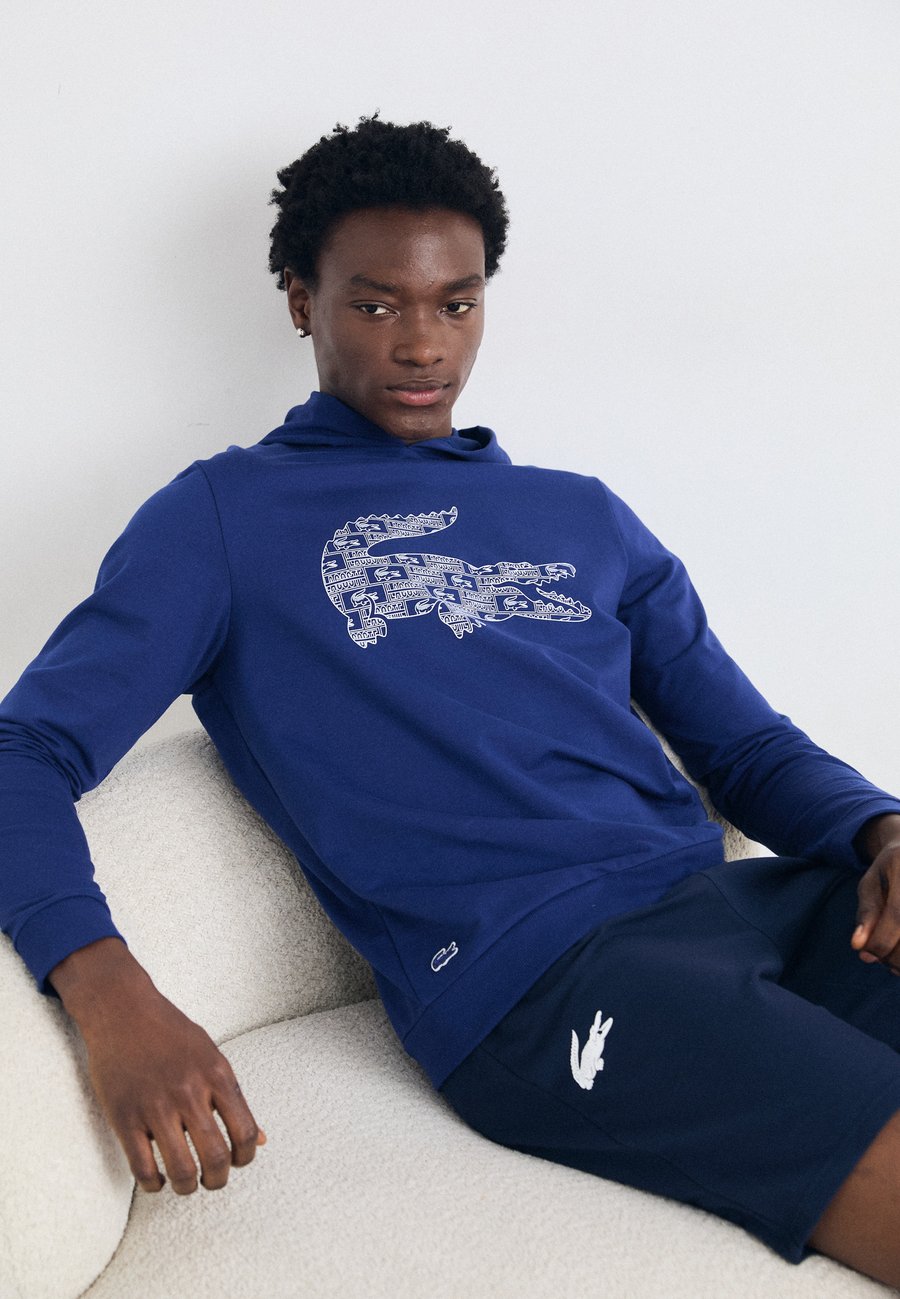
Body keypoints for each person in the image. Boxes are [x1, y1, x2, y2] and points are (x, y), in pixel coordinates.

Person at [3, 115, 900, 1289]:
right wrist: (110, 990)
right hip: (548, 979)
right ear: (300, 301)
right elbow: (25, 748)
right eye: (376, 304)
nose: (423, 343)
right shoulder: (224, 520)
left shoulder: (583, 514)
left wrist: (880, 831)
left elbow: (747, 746)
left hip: (734, 907)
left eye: (456, 303)